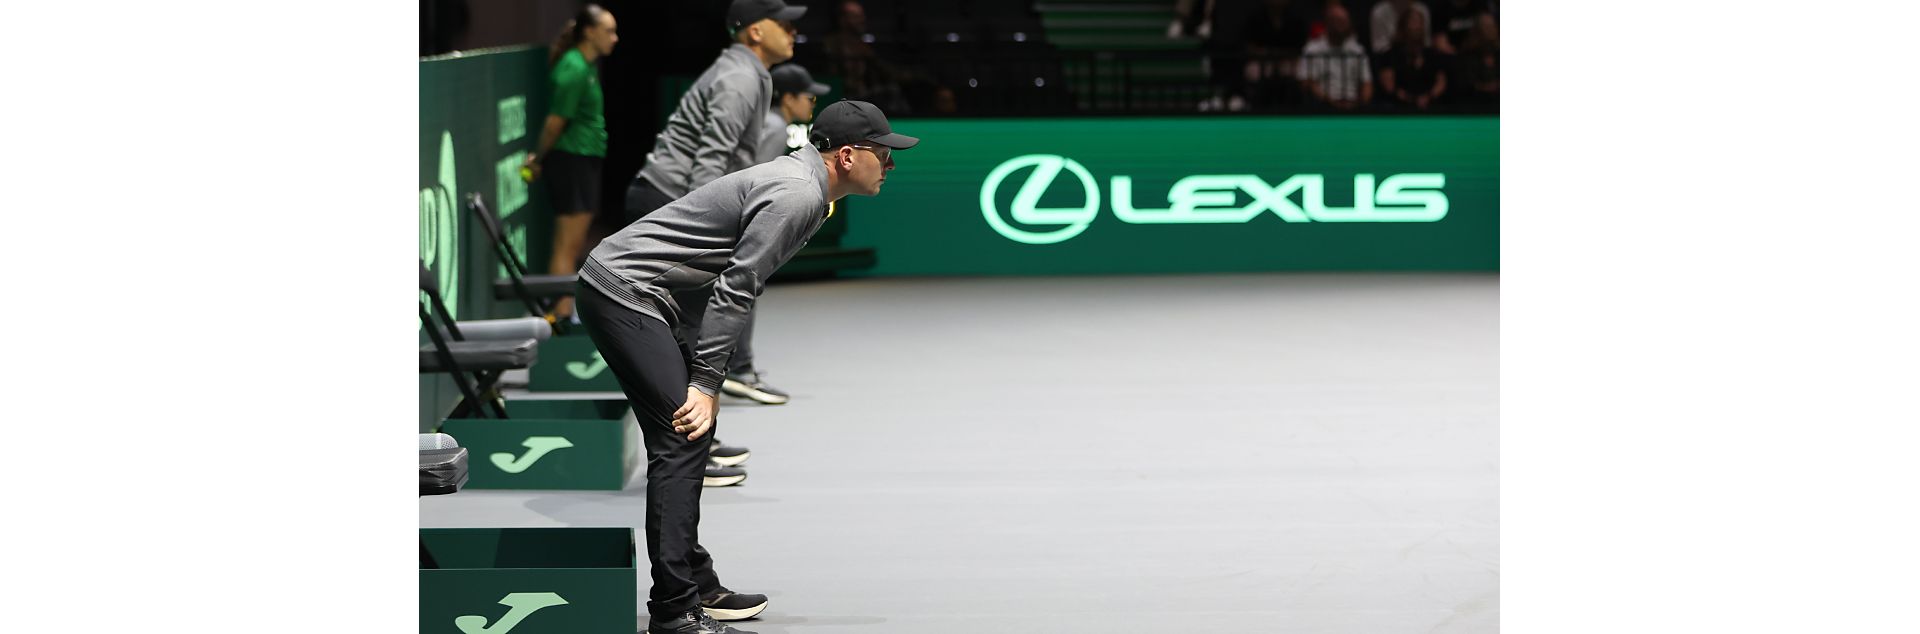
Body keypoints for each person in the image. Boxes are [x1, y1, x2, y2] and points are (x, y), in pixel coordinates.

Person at [575, 100, 917, 634]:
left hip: (638, 293)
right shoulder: (798, 194)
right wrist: (707, 381)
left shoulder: (807, 188)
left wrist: (691, 357)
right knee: (683, 437)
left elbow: (709, 268)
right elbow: (736, 289)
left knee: (684, 438)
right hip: (625, 292)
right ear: (847, 157)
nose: (891, 164)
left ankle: (694, 581)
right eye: (883, 153)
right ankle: (673, 610)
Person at [597, 0, 809, 482]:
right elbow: (709, 167)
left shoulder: (749, 71)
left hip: (665, 198)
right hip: (671, 202)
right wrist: (709, 231)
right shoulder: (739, 78)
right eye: (785, 24)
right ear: (755, 31)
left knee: (688, 332)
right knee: (687, 333)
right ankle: (690, 453)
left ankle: (697, 444)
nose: (794, 32)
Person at [686, 63, 830, 406]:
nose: (812, 103)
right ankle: (739, 370)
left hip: (722, 212)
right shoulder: (776, 127)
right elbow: (761, 179)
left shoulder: (768, 122)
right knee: (742, 285)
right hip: (733, 218)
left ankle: (735, 368)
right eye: (808, 96)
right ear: (788, 97)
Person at [522, 4, 616, 321]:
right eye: (609, 31)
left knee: (576, 243)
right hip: (570, 160)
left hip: (585, 158)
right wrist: (539, 158)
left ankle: (562, 309)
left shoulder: (586, 66)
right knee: (566, 244)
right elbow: (554, 123)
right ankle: (558, 315)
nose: (614, 38)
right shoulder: (573, 69)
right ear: (589, 32)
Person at [1300, 4, 1372, 110]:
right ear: (1328, 22)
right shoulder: (1312, 49)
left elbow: (1367, 84)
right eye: (1338, 21)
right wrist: (1330, 102)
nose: (1343, 25)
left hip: (1353, 105)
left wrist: (1359, 103)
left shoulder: (1357, 50)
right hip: (1322, 106)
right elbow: (1306, 81)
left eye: (1345, 21)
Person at [1378, 6, 1446, 110]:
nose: (1417, 27)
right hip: (1398, 109)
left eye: (1420, 23)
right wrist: (1411, 99)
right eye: (1413, 22)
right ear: (1403, 26)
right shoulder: (1390, 55)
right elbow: (1389, 85)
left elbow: (1441, 81)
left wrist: (1428, 97)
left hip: (1430, 108)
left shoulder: (1432, 54)